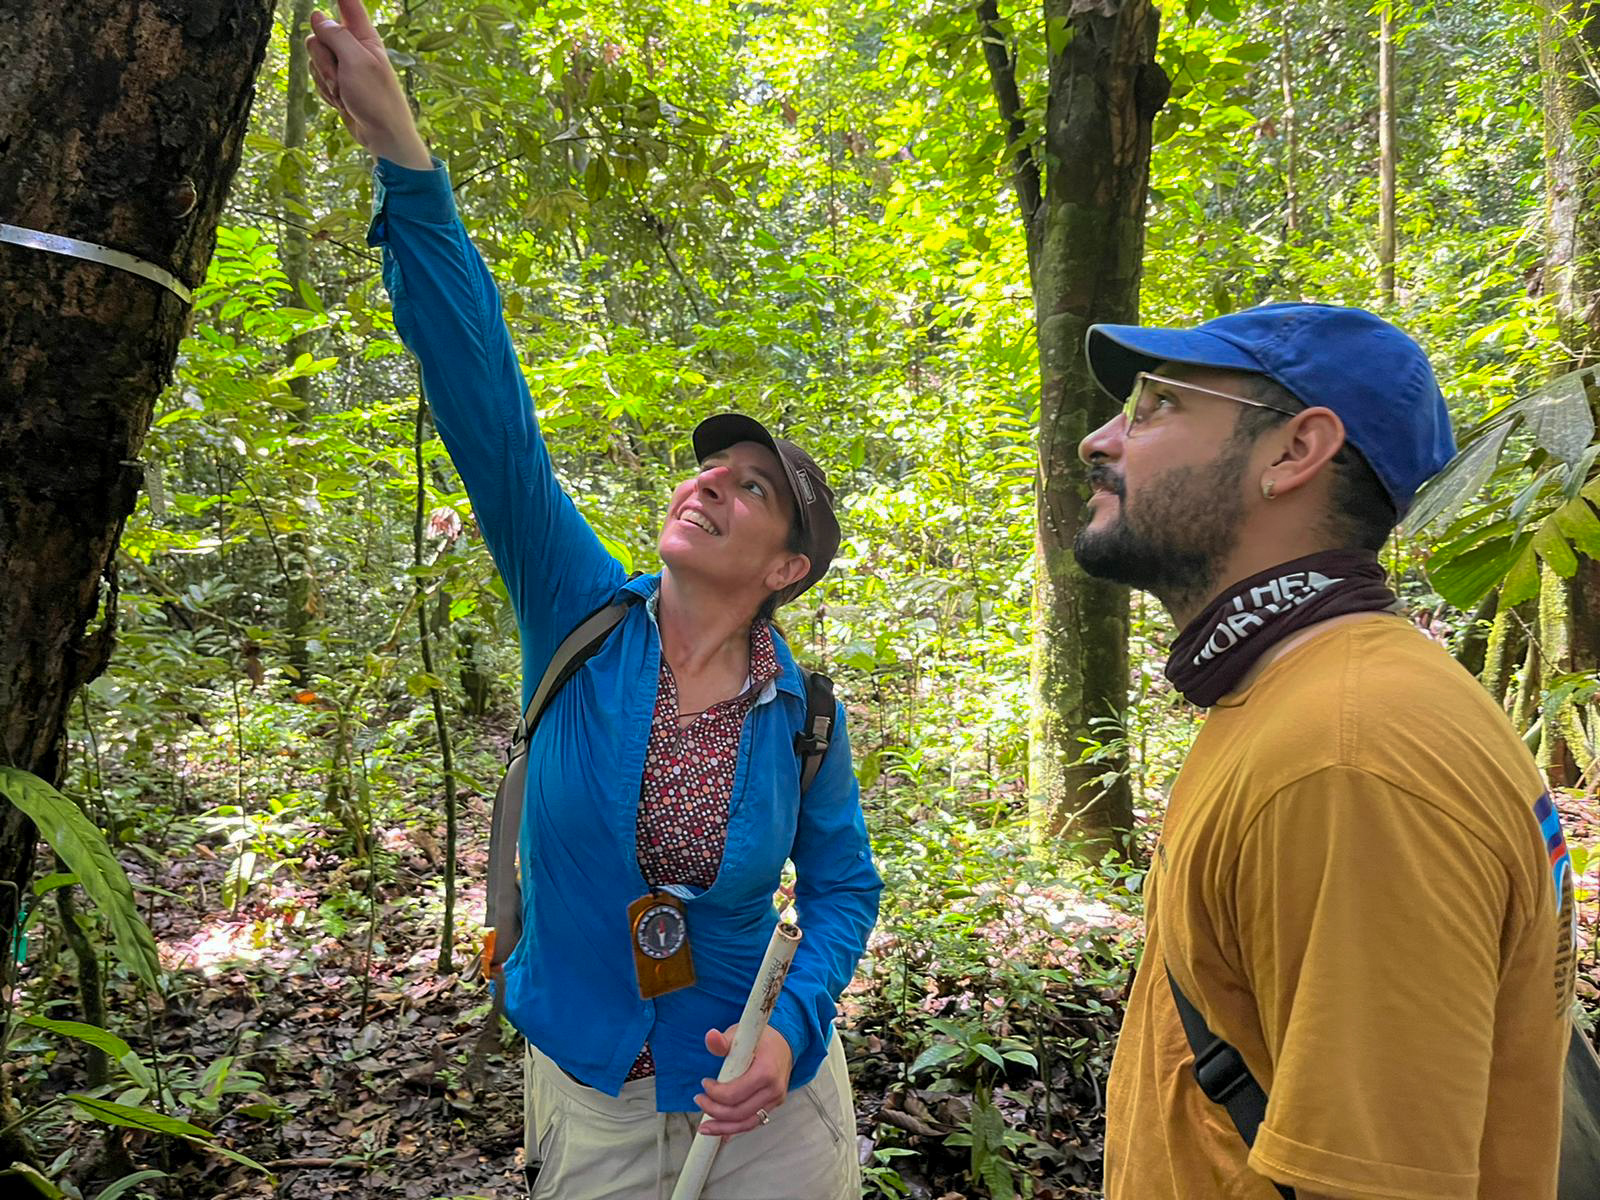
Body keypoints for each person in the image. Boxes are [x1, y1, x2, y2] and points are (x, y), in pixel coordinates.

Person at [304, 4, 882, 1196]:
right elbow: (486, 406)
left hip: (762, 1103)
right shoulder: (580, 609)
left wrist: (793, 1032)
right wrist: (406, 160)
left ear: (786, 569)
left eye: (753, 488)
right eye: (709, 468)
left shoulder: (803, 716)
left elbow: (840, 890)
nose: (710, 484)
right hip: (592, 1089)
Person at [1074, 302, 1575, 1198]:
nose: (1100, 440)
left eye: (1154, 404)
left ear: (1294, 452)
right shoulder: (1301, 697)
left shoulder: (1349, 755)